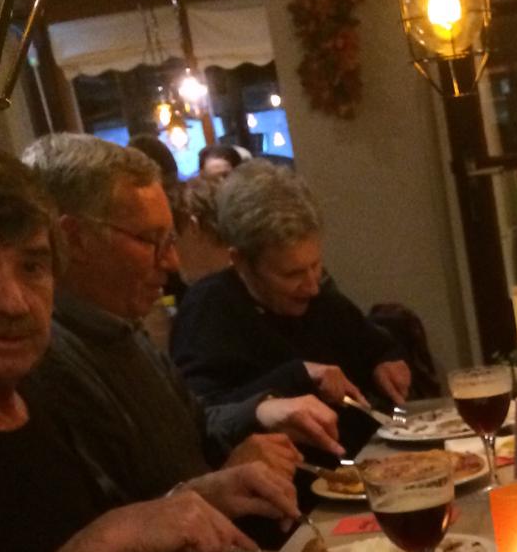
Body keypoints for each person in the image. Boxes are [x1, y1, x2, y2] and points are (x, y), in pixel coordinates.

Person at [0, 148, 268, 552]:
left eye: (32, 266)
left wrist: (184, 508)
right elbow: (105, 549)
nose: (14, 302)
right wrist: (115, 536)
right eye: (149, 240)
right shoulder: (56, 371)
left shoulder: (33, 400)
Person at [22, 134, 346, 469]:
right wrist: (213, 487)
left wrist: (260, 411)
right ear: (75, 239)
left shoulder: (124, 331)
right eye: (150, 240)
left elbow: (196, 427)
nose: (172, 262)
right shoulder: (40, 363)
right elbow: (119, 496)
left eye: (170, 240)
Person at [172, 159, 414, 410]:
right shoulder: (207, 309)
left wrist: (386, 363)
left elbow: (378, 349)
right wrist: (299, 376)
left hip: (378, 433)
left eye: (315, 265)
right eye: (291, 274)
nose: (312, 287)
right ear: (240, 261)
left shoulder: (323, 301)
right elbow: (202, 413)